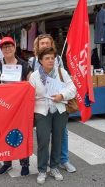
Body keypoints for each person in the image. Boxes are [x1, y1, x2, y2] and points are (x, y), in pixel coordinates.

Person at [28, 34, 77, 173]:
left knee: (58, 139)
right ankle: (42, 170)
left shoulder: (61, 72)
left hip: (59, 109)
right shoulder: (34, 75)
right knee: (43, 141)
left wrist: (62, 95)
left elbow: (72, 88)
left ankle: (55, 166)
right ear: (40, 60)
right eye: (47, 58)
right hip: (42, 111)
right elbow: (30, 95)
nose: (50, 60)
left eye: (52, 58)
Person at [0, 36, 31, 176]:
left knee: (21, 134)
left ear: (14, 47)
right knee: (5, 134)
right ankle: (7, 162)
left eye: (10, 46)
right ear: (1, 49)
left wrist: (22, 87)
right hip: (3, 109)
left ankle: (24, 163)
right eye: (4, 47)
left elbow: (31, 83)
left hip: (20, 109)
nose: (7, 49)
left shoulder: (24, 65)